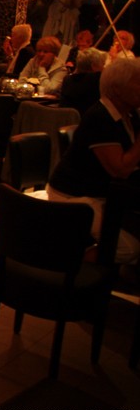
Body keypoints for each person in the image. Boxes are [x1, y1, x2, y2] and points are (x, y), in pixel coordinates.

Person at [48, 58, 140, 265]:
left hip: (102, 193)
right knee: (128, 249)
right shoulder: (100, 117)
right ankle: (57, 260)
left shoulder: (129, 114)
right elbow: (120, 170)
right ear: (117, 89)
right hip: (74, 196)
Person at [60, 47, 105, 115]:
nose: (104, 68)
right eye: (103, 64)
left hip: (64, 119)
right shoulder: (97, 79)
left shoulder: (67, 80)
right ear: (93, 66)